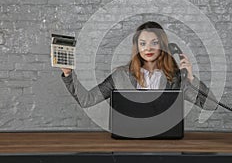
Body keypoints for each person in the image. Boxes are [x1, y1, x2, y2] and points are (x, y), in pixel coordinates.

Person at [61, 21, 217, 110]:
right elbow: (86, 100)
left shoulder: (175, 79)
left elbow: (211, 105)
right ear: (137, 47)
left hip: (166, 142)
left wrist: (190, 77)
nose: (148, 48)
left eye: (154, 43)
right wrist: (69, 74)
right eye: (143, 43)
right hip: (128, 142)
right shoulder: (120, 75)